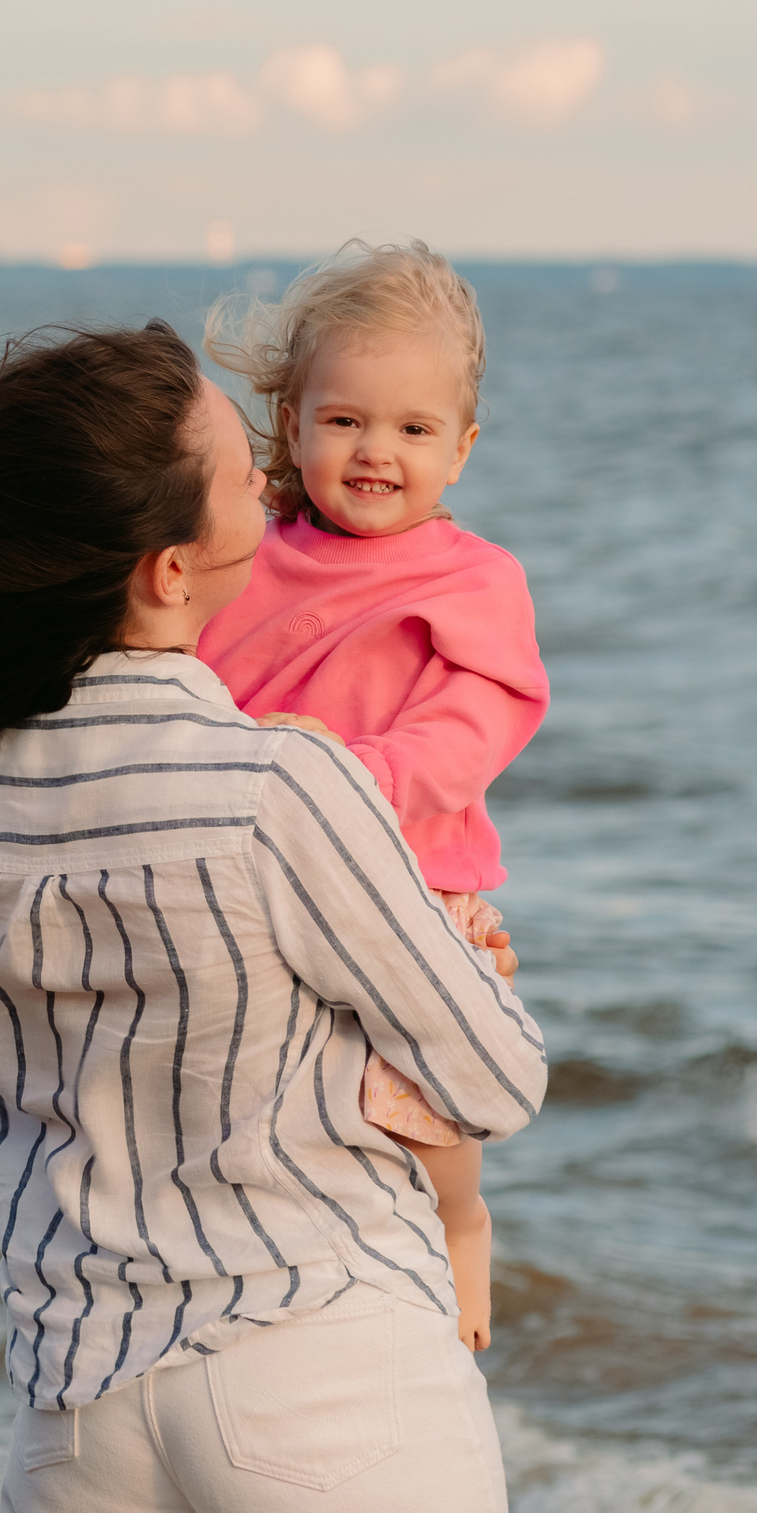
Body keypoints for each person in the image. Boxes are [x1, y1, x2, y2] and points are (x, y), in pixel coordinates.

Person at [0, 321, 546, 1513]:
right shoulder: (285, 784)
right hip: (320, 1369)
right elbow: (495, 1080)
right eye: (236, 474)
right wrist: (464, 954)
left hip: (82, 1409)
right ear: (168, 571)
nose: (269, 487)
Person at [196, 239, 548, 1352]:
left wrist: (352, 777)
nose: (375, 451)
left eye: (412, 429)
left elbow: (471, 728)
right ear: (291, 422)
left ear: (462, 447)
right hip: (251, 877)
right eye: (344, 420)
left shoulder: (471, 580)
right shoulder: (247, 553)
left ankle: (460, 1229)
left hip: (407, 870)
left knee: (425, 1080)